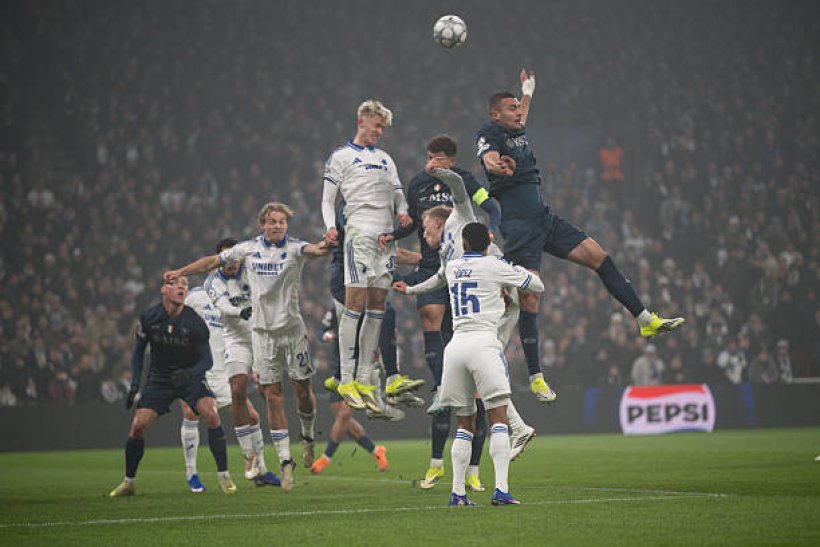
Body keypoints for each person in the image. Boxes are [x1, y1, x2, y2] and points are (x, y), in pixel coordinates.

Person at [475, 69, 684, 394]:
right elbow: (488, 158)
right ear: (495, 115)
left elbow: (524, 112)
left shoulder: (516, 125)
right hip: (519, 228)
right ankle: (535, 377)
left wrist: (528, 89)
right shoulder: (490, 133)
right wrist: (497, 166)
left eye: (518, 108)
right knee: (530, 297)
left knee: (599, 257)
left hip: (545, 218)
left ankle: (644, 319)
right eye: (511, 108)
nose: (518, 112)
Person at [164, 202, 329, 491]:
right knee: (260, 394)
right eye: (271, 221)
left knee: (302, 391)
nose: (276, 226)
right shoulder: (241, 257)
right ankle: (271, 460)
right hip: (252, 337)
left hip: (291, 331)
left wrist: (329, 242)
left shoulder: (292, 248)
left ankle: (306, 436)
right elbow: (214, 277)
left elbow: (314, 250)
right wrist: (181, 271)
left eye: (281, 222)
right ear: (262, 224)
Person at [393, 166, 538, 481]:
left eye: (426, 229)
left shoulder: (459, 221)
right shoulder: (448, 251)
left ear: (438, 222)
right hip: (490, 303)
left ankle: (517, 429)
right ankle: (519, 428)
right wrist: (411, 290)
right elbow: (440, 278)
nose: (424, 235)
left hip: (502, 299)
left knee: (484, 374)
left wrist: (442, 172)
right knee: (481, 378)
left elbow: (459, 188)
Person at [381, 134, 502, 490]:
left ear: (451, 159)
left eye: (439, 157)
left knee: (474, 395)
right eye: (429, 155)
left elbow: (489, 205)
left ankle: (474, 472)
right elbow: (409, 223)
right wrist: (392, 234)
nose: (432, 162)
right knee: (429, 318)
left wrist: (492, 229)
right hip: (431, 265)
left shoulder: (464, 181)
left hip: (462, 269)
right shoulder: (418, 184)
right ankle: (440, 384)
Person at [439, 221, 544, 506]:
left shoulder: (452, 268)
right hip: (484, 344)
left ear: (464, 243)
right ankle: (501, 490)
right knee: (497, 418)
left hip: (455, 346)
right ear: (488, 242)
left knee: (464, 425)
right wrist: (515, 270)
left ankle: (457, 493)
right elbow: (538, 286)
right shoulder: (495, 265)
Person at [321, 99, 413, 411]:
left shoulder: (386, 159)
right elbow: (328, 200)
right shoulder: (341, 157)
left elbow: (398, 193)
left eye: (383, 128)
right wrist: (330, 227)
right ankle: (346, 378)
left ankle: (362, 378)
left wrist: (403, 212)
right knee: (354, 304)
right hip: (359, 233)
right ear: (362, 121)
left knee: (377, 307)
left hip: (385, 237)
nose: (379, 132)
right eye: (377, 126)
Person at [109, 276, 236, 497]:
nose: (181, 287)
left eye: (184, 285)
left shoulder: (195, 322)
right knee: (137, 426)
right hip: (160, 378)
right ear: (164, 289)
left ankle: (223, 476)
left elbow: (207, 361)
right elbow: (137, 352)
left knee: (212, 414)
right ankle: (129, 482)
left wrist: (189, 374)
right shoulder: (149, 318)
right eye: (175, 284)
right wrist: (135, 384)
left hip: (190, 377)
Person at [186, 241, 280, 488]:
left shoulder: (240, 291)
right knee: (193, 414)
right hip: (201, 368)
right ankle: (192, 474)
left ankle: (260, 470)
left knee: (252, 415)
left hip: (225, 364)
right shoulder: (195, 297)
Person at [323, 199, 425, 415]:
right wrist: (426, 259)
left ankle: (365, 390)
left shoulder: (369, 206)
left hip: (363, 271)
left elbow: (385, 249)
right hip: (347, 276)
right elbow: (381, 248)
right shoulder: (355, 207)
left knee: (379, 322)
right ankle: (387, 383)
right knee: (380, 316)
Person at [309, 306, 390, 475]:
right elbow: (320, 331)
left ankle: (325, 458)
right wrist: (326, 335)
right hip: (338, 368)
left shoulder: (367, 308)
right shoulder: (335, 308)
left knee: (344, 415)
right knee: (343, 420)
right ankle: (376, 451)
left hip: (359, 367)